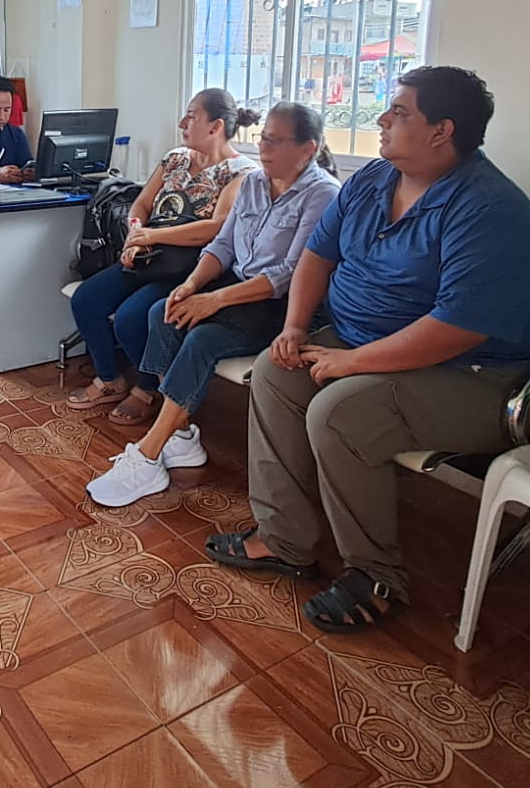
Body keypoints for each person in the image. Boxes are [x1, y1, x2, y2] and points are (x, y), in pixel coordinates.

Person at [205, 66, 530, 636]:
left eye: (400, 112)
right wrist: (295, 328)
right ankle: (284, 539)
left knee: (340, 412)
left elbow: (456, 329)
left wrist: (351, 362)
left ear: (442, 130)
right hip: (363, 342)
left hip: (475, 376)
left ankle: (376, 577)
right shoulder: (373, 179)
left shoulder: (489, 210)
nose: (382, 119)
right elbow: (318, 255)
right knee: (274, 370)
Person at [86, 103, 340, 506]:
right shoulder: (254, 182)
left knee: (202, 339)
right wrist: (191, 286)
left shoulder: (323, 195)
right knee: (164, 312)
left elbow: (289, 274)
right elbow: (222, 246)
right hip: (237, 287)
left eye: (275, 141)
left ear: (307, 149)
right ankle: (181, 434)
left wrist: (213, 300)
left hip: (284, 305)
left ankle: (149, 454)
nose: (263, 148)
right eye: (263, 138)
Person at [66, 89, 259, 424]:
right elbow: (142, 203)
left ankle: (148, 388)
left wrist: (152, 236)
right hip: (147, 255)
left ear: (215, 126)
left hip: (188, 268)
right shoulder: (175, 158)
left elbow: (215, 228)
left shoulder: (241, 172)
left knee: (130, 318)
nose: (182, 123)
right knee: (87, 299)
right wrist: (135, 236)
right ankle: (110, 379)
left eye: (191, 116)